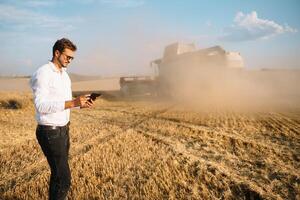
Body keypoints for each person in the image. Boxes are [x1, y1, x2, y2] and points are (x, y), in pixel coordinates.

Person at [30, 38, 93, 200]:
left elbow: (64, 102)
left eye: (72, 58)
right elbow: (41, 106)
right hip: (50, 132)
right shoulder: (43, 73)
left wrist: (79, 104)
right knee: (64, 178)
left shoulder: (64, 75)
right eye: (67, 57)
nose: (69, 61)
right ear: (56, 53)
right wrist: (73, 102)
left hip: (64, 129)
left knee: (58, 176)